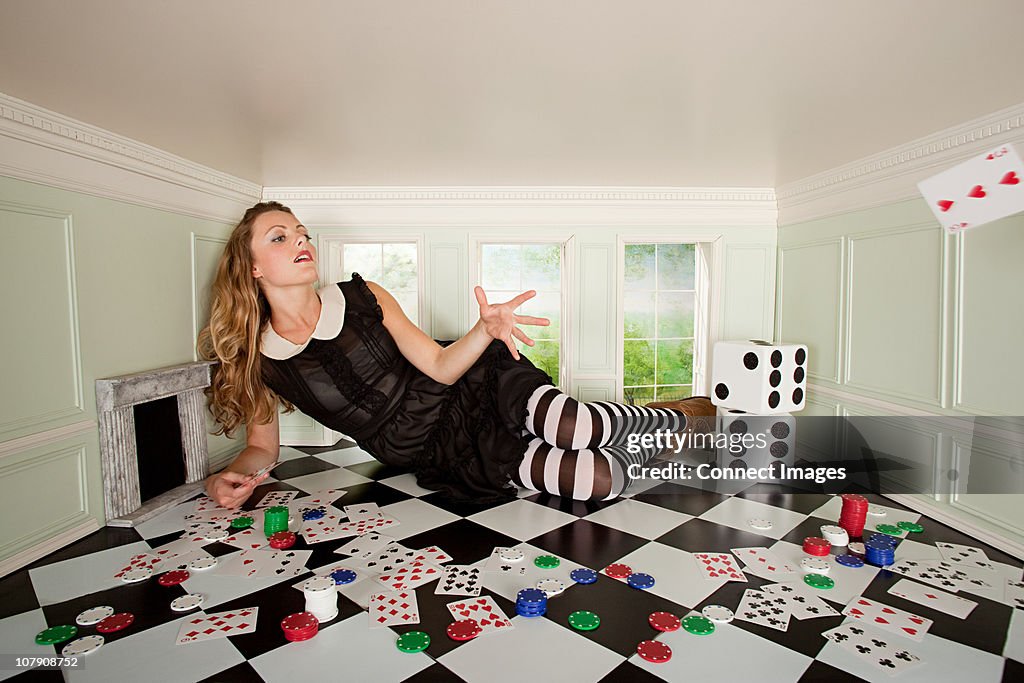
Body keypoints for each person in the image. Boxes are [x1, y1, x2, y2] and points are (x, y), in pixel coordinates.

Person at [198, 201, 714, 509]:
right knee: (600, 482)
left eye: (302, 233)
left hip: (467, 382)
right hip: (436, 449)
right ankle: (665, 437)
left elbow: (442, 366)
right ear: (253, 268)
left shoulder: (364, 295)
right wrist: (231, 475)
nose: (300, 241)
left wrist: (484, 330)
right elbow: (262, 446)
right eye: (279, 237)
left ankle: (678, 414)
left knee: (576, 427)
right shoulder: (258, 359)